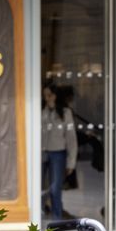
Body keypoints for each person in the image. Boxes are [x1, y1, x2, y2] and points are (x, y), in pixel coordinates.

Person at [40, 84, 78, 220]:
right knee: (40, 186)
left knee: (56, 187)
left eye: (49, 95)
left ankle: (57, 218)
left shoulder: (65, 113)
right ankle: (40, 214)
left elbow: (71, 139)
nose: (46, 98)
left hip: (58, 153)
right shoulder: (41, 112)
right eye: (44, 95)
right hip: (42, 153)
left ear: (55, 96)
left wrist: (71, 162)